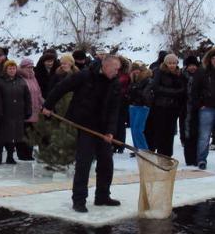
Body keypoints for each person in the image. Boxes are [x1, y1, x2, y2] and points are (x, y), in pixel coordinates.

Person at [42, 55, 123, 213]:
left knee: (106, 163)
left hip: (103, 128)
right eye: (115, 69)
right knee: (84, 164)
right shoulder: (85, 75)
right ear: (105, 66)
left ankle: (102, 196)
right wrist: (48, 105)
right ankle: (79, 200)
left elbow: (115, 110)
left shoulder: (115, 83)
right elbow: (61, 88)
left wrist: (110, 131)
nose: (117, 72)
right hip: (84, 125)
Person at [147, 54, 185, 157]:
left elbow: (182, 89)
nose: (172, 65)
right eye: (169, 63)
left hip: (173, 108)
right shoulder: (159, 72)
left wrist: (174, 93)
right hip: (160, 107)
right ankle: (160, 153)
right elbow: (156, 88)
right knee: (160, 131)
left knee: (170, 133)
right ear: (165, 63)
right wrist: (173, 92)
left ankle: (168, 155)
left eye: (174, 63)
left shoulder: (179, 74)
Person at [0, 60, 31, 165]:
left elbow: (27, 97)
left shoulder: (21, 81)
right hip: (3, 113)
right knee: (1, 136)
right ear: (5, 70)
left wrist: (28, 110)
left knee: (13, 136)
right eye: (9, 68)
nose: (12, 70)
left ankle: (10, 157)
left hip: (18, 113)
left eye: (14, 68)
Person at [17, 58, 44, 160]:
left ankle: (29, 153)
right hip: (24, 111)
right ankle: (23, 155)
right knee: (23, 133)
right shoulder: (19, 78)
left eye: (32, 67)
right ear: (23, 67)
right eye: (28, 67)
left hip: (35, 110)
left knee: (31, 133)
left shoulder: (33, 78)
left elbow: (38, 93)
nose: (30, 69)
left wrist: (43, 104)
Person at [179, 55, 201, 166]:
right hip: (185, 109)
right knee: (187, 135)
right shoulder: (181, 76)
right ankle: (189, 159)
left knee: (197, 134)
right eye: (190, 66)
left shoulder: (201, 76)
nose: (192, 68)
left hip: (197, 109)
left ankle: (197, 157)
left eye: (194, 65)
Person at [127, 63, 153, 151]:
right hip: (133, 106)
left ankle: (144, 150)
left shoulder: (147, 79)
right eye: (134, 70)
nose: (136, 71)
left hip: (142, 106)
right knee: (133, 129)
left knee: (138, 129)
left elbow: (145, 93)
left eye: (138, 69)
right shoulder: (133, 79)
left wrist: (135, 90)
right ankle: (137, 149)